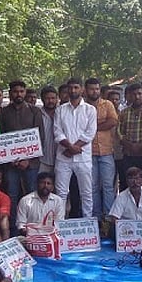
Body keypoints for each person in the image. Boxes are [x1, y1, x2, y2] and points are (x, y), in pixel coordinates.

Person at [0, 80, 45, 222]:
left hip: (31, 163)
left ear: (25, 92)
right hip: (11, 164)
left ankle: (32, 226)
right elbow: (1, 138)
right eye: (15, 91)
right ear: (10, 93)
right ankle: (13, 228)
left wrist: (28, 160)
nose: (18, 94)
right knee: (12, 194)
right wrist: (10, 158)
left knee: (32, 195)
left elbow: (40, 137)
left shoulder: (35, 111)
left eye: (21, 91)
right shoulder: (4, 112)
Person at [54, 78, 97, 217]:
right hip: (63, 157)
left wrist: (73, 148)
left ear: (82, 89)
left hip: (83, 157)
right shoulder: (60, 110)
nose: (73, 90)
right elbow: (57, 132)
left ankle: (88, 223)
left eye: (76, 87)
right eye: (70, 88)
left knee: (86, 192)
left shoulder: (90, 110)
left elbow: (90, 132)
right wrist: (69, 147)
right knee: (61, 193)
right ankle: (59, 225)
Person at [85, 77, 119, 220]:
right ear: (86, 90)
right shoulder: (83, 107)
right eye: (92, 89)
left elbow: (113, 121)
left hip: (106, 151)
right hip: (88, 152)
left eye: (97, 89)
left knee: (108, 186)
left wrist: (92, 128)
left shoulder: (107, 104)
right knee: (92, 187)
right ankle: (96, 217)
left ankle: (108, 218)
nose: (95, 91)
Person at [117, 82, 142, 194]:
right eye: (134, 94)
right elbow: (119, 131)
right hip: (129, 155)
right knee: (127, 186)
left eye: (139, 93)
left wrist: (140, 145)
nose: (137, 97)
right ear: (129, 96)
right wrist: (128, 144)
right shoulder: (124, 113)